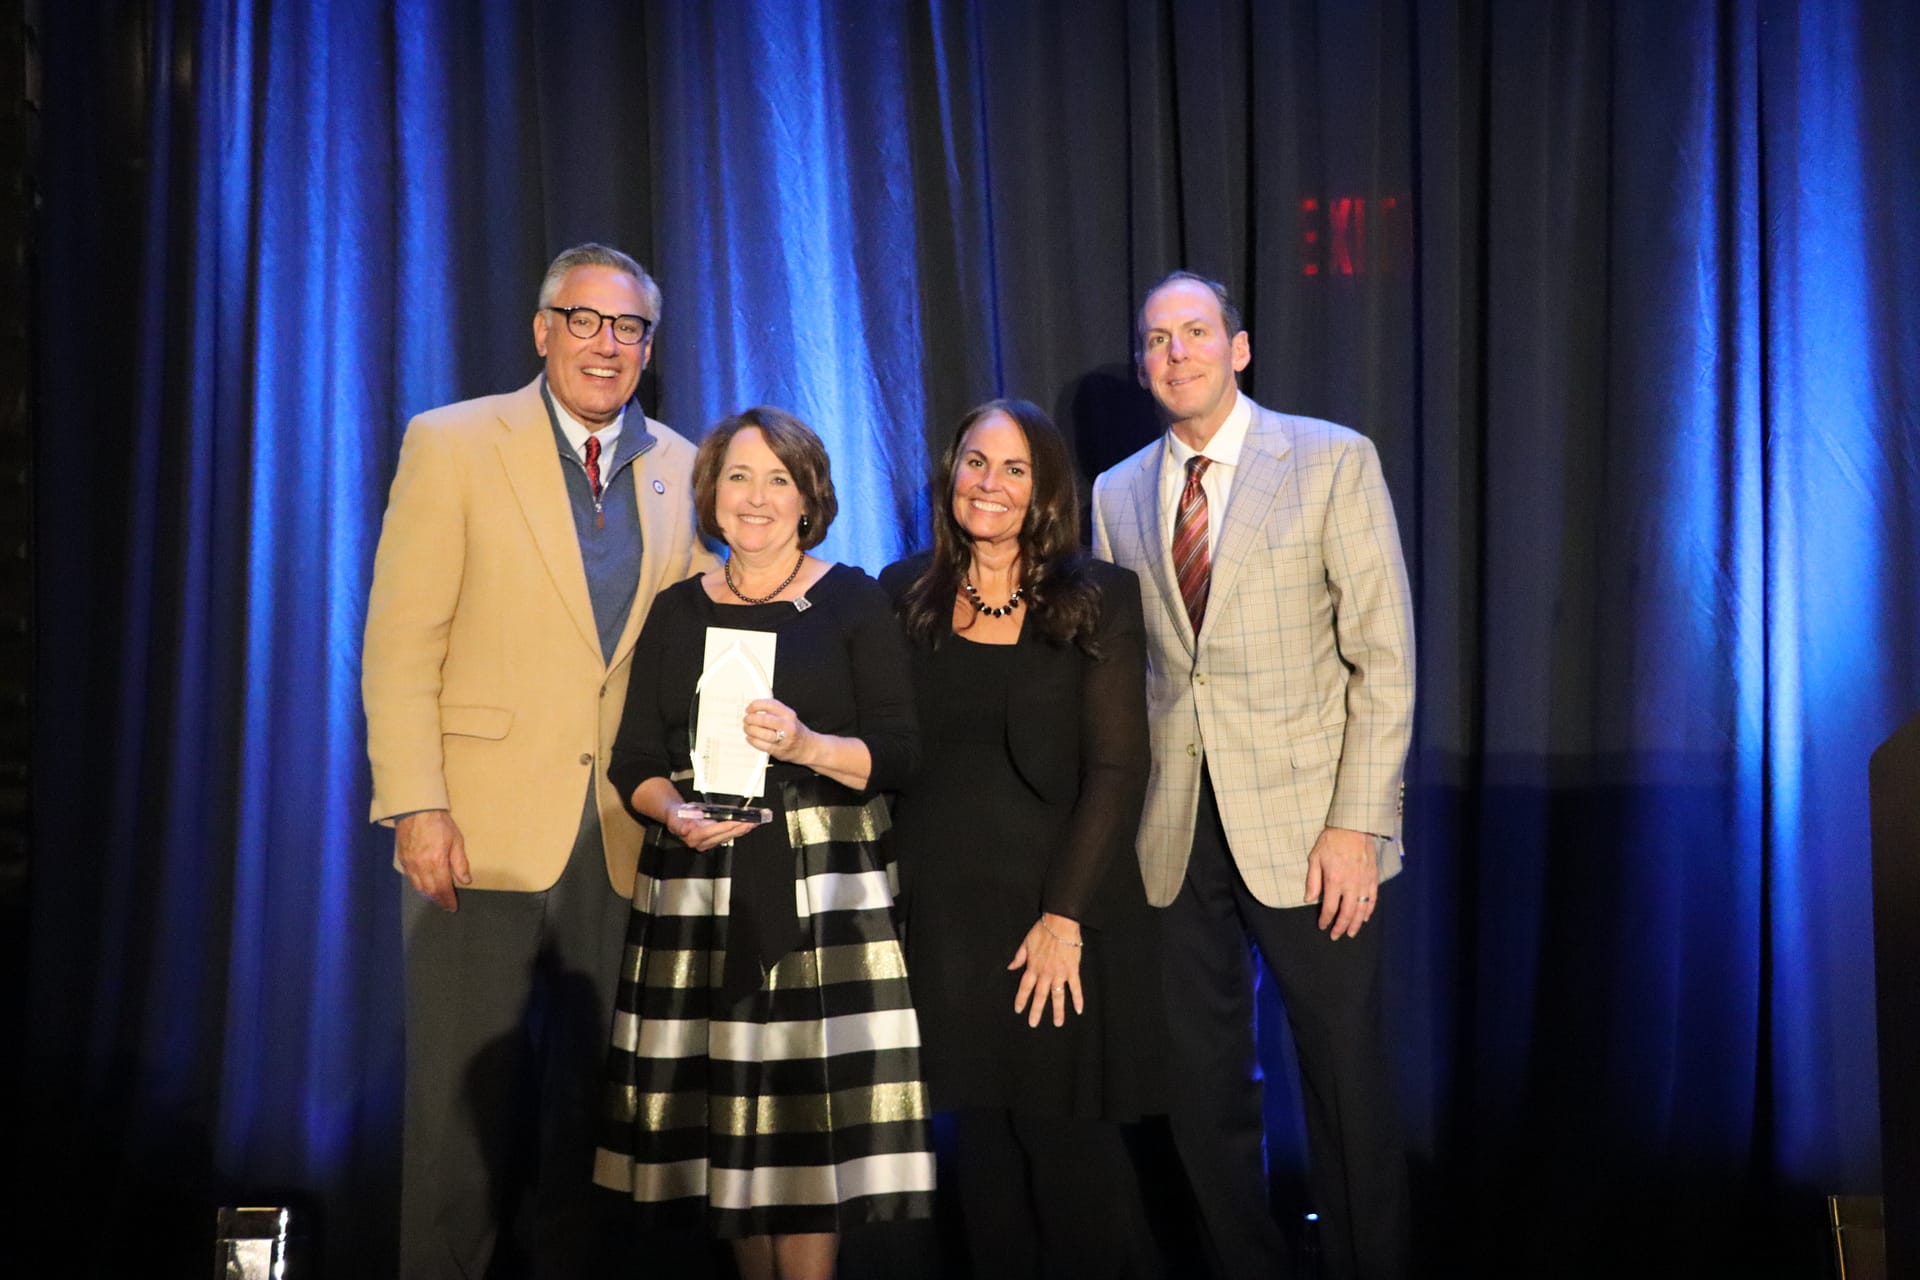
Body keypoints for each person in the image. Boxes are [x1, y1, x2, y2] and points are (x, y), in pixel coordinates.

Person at [363, 243, 715, 1279]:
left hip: (621, 836)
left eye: (630, 328)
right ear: (542, 328)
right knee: (455, 1130)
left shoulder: (685, 466)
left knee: (592, 1131)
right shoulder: (455, 440)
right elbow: (399, 641)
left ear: (650, 346)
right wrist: (415, 805)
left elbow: (698, 649)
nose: (607, 345)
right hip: (474, 833)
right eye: (586, 320)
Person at [1091, 272, 1416, 1280]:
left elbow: (1384, 656)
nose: (1176, 351)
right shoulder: (1115, 493)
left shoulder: (1328, 460)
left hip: (1314, 827)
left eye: (1196, 332)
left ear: (1239, 348)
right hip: (1176, 831)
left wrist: (1357, 822)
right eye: (1157, 338)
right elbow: (1132, 674)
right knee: (1203, 1084)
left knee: (1344, 1074)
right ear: (1144, 363)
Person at [594, 407, 935, 1280]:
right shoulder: (676, 612)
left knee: (806, 1123)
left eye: (778, 479)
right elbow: (634, 759)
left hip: (823, 887)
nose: (757, 497)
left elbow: (899, 752)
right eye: (740, 476)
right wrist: (673, 815)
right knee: (732, 1130)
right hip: (699, 888)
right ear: (712, 494)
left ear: (809, 496)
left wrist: (808, 745)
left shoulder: (853, 600)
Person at [880, 399, 1163, 1280]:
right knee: (984, 1154)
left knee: (1066, 1148)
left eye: (1012, 469)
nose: (989, 484)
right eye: (974, 463)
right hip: (947, 919)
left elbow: (1119, 771)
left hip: (1057, 918)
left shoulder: (1099, 597)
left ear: (1044, 489)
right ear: (950, 473)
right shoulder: (903, 592)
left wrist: (1062, 916)